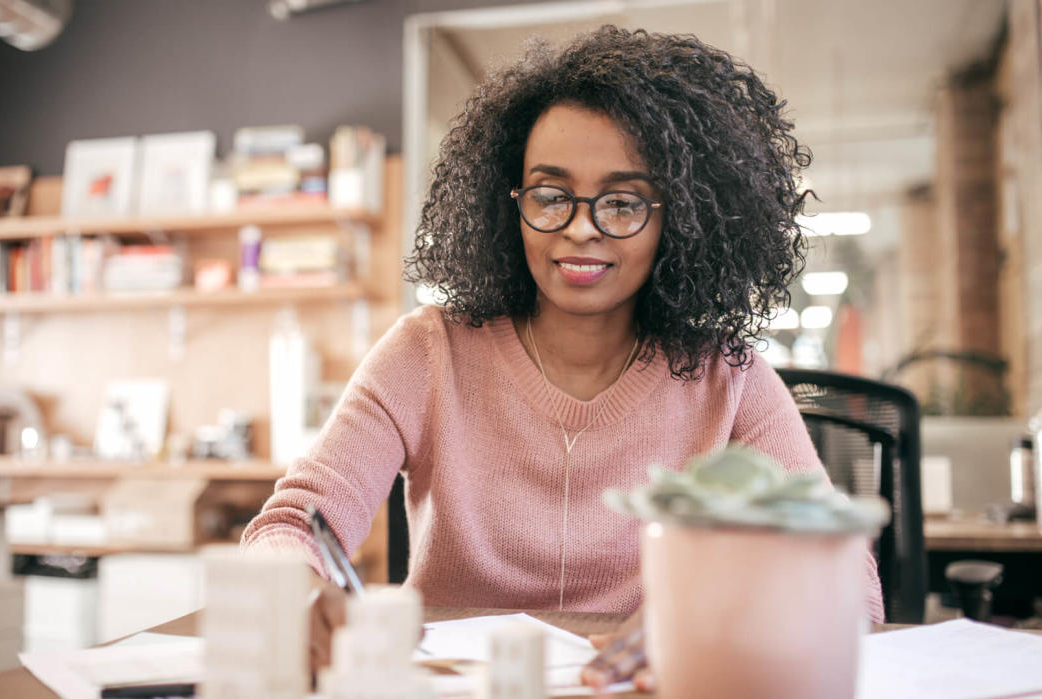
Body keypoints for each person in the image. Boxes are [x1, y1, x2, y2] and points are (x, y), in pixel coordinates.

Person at [241, 25, 885, 691]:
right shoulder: (426, 351)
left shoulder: (732, 377)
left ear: (681, 217)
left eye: (623, 201)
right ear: (510, 203)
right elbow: (291, 522)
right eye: (552, 194)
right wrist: (299, 592)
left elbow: (850, 581)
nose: (582, 227)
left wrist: (715, 617)